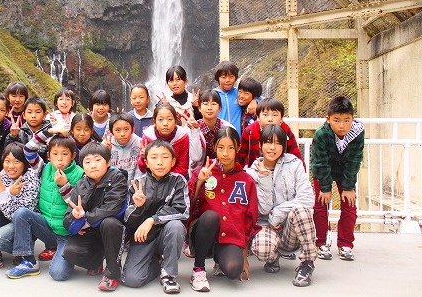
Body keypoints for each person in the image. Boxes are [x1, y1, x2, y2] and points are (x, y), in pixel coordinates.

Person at [186, 127, 258, 292]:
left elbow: (249, 217)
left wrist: (244, 255)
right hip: (203, 232)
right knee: (210, 216)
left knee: (233, 270)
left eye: (230, 148)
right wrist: (200, 182)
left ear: (237, 148)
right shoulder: (204, 172)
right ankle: (198, 269)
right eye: (221, 147)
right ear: (214, 147)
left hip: (230, 236)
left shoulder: (246, 180)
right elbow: (189, 206)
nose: (225, 153)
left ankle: (219, 257)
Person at [247, 125, 317, 287]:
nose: (272, 147)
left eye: (278, 143)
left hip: (289, 228)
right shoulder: (251, 173)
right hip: (266, 226)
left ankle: (307, 263)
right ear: (260, 145)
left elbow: (307, 199)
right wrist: (264, 178)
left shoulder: (294, 165)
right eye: (268, 142)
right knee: (263, 249)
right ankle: (273, 257)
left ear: (284, 146)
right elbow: (263, 210)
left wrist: (278, 213)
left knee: (301, 211)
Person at [6, 135, 83, 279]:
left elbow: (77, 205)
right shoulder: (44, 169)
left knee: (58, 274)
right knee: (22, 213)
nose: (59, 159)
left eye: (65, 154)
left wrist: (64, 185)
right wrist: (49, 130)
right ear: (48, 155)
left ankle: (67, 254)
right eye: (55, 154)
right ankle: (28, 261)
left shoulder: (80, 174)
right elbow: (28, 150)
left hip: (66, 233)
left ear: (73, 156)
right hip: (46, 227)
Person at [122, 140, 189, 293]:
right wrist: (138, 207)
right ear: (146, 162)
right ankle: (156, 262)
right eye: (154, 157)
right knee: (132, 279)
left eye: (165, 157)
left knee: (176, 226)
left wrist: (152, 219)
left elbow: (182, 210)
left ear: (173, 161)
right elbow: (127, 220)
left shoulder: (178, 181)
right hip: (143, 238)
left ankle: (169, 275)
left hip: (167, 235)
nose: (159, 162)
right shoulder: (137, 184)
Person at [62, 142, 128, 290]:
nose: (93, 165)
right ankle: (96, 262)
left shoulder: (118, 178)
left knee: (109, 223)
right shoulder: (80, 184)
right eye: (87, 162)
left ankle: (112, 273)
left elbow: (112, 208)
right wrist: (75, 217)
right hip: (91, 232)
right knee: (70, 252)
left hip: (114, 231)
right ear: (82, 165)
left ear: (108, 162)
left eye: (98, 160)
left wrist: (84, 221)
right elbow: (67, 220)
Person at [311, 96, 365, 262]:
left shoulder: (358, 132)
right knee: (321, 204)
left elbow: (355, 159)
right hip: (324, 169)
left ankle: (346, 244)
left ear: (352, 119)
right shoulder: (321, 134)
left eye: (346, 120)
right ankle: (321, 242)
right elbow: (320, 162)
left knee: (349, 204)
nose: (342, 126)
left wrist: (348, 187)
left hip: (345, 170)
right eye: (336, 120)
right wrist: (325, 188)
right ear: (328, 119)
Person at [0, 142, 40, 272]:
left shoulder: (31, 180)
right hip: (6, 217)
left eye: (16, 162)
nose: (11, 166)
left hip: (22, 225)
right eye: (7, 161)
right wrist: (8, 192)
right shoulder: (3, 174)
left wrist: (3, 194)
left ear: (25, 163)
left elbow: (18, 215)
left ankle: (24, 250)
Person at [137, 104, 205, 177]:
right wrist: (143, 158)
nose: (165, 124)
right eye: (160, 120)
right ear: (154, 122)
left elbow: (183, 167)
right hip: (153, 177)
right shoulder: (147, 137)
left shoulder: (182, 137)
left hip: (177, 178)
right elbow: (142, 169)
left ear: (176, 122)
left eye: (169, 119)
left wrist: (168, 180)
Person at [238, 98, 302, 168]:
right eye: (265, 115)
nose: (270, 119)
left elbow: (296, 156)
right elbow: (240, 158)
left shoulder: (286, 131)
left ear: (281, 118)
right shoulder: (249, 131)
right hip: (256, 170)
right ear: (258, 117)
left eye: (275, 115)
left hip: (282, 171)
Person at [213, 61, 257, 136]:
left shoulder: (239, 93)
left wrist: (254, 100)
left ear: (236, 78)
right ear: (218, 78)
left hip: (238, 138)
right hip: (219, 137)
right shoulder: (213, 95)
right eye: (223, 77)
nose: (228, 80)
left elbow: (264, 100)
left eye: (231, 76)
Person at [4, 96, 52, 162]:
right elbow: (8, 152)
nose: (33, 116)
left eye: (38, 112)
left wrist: (47, 148)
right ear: (24, 115)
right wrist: (12, 136)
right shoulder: (20, 133)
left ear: (45, 115)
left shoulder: (50, 132)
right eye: (29, 112)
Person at [197, 90, 235, 162]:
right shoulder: (192, 129)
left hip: (223, 166)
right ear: (199, 108)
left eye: (214, 104)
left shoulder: (228, 128)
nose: (209, 108)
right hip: (198, 168)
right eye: (205, 104)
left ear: (220, 107)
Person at [106, 112, 141, 185]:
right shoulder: (106, 144)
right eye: (118, 130)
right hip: (113, 186)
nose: (122, 134)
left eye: (126, 129)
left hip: (135, 185)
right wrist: (106, 152)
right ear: (111, 131)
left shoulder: (139, 143)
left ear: (133, 129)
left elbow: (140, 170)